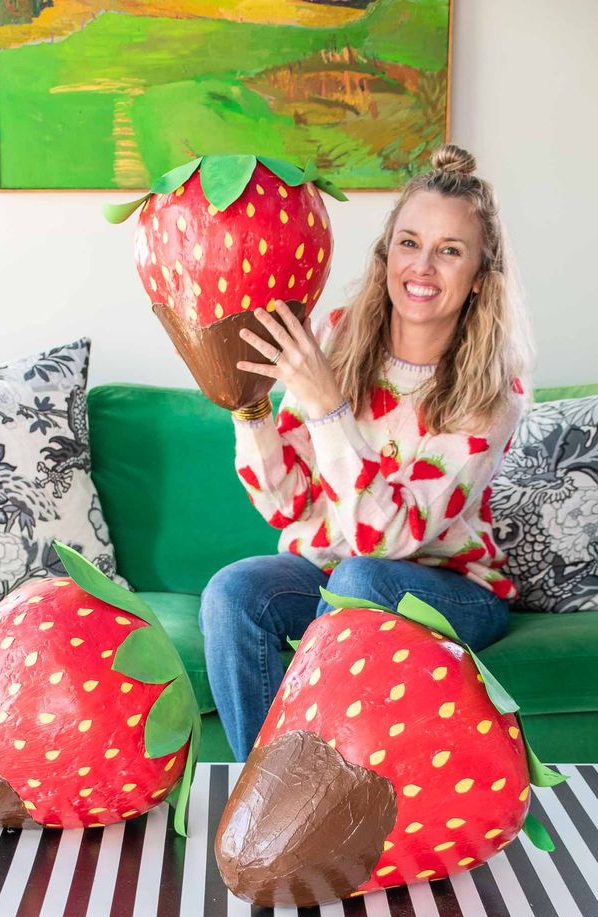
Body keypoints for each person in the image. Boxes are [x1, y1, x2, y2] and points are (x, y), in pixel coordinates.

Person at [198, 144, 533, 762]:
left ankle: (328, 778)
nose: (423, 266)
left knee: (362, 577)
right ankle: (264, 791)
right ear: (385, 255)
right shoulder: (338, 336)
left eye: (449, 250)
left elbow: (385, 544)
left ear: (481, 275)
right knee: (233, 591)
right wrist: (247, 405)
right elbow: (287, 504)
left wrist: (329, 409)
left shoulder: (493, 392)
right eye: (409, 243)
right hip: (337, 576)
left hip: (451, 589)